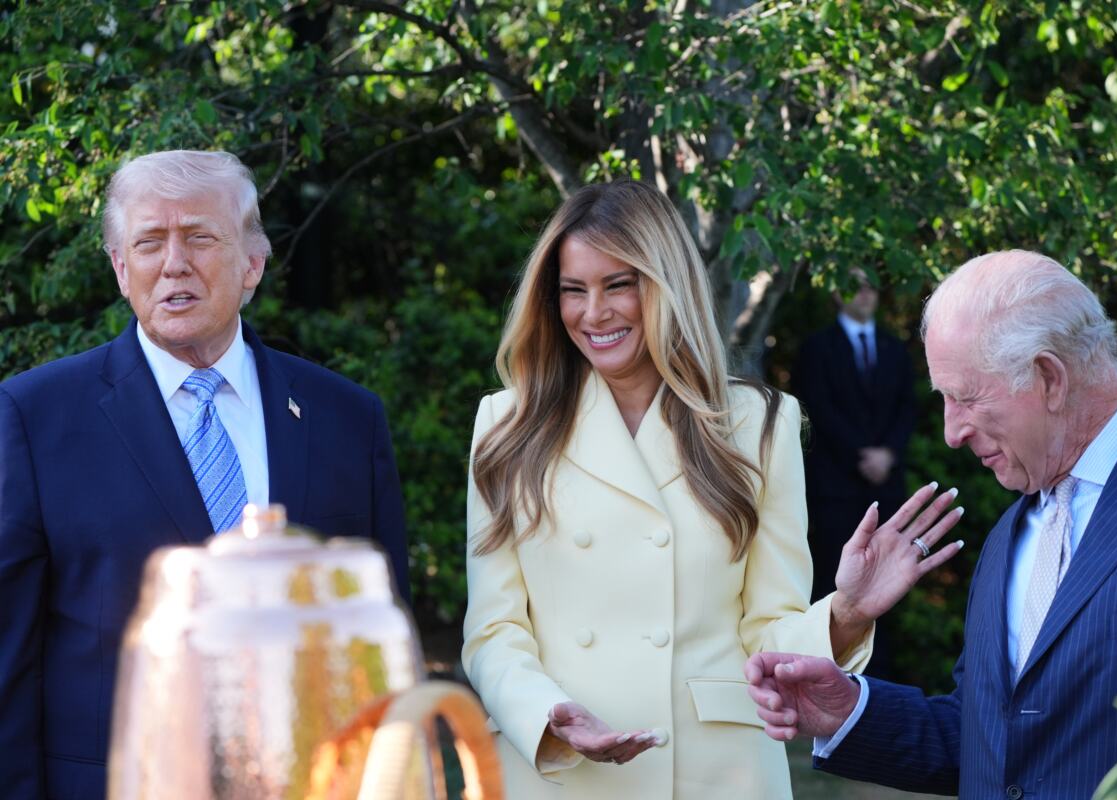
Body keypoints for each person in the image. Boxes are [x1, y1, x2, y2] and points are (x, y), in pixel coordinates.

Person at [461, 180, 964, 799]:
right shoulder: (506, 424)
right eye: (573, 290)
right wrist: (546, 715)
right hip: (560, 775)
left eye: (618, 285)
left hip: (716, 772)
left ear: (666, 284)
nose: (593, 313)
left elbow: (767, 629)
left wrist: (846, 613)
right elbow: (493, 632)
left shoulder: (759, 423)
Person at [0, 150, 409, 800]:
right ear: (120, 268)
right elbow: (9, 661)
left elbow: (383, 639)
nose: (174, 264)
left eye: (199, 237)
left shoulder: (346, 419)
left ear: (253, 263)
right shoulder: (34, 417)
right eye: (149, 242)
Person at [747, 250, 1117, 798]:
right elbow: (988, 740)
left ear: (1049, 378)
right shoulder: (1009, 537)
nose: (951, 432)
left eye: (965, 397)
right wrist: (850, 710)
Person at [792, 271, 915, 677]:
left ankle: (881, 682)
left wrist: (888, 454)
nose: (864, 293)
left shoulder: (894, 348)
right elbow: (816, 409)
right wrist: (861, 455)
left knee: (889, 584)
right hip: (835, 489)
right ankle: (832, 676)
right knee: (835, 585)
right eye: (854, 285)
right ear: (836, 293)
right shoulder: (817, 348)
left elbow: (907, 408)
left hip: (886, 489)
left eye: (870, 286)